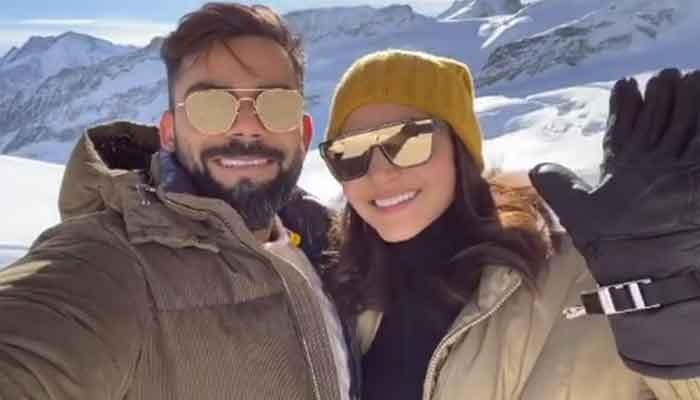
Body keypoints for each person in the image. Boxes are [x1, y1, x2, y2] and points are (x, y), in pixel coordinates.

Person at [0, 3, 352, 399]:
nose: (247, 127)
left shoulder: (328, 247)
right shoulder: (113, 266)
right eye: (212, 106)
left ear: (303, 134)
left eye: (276, 105)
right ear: (169, 134)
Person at [318, 48, 700, 400]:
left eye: (408, 140)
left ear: (460, 148)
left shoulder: (591, 275)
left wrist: (675, 313)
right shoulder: (340, 300)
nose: (380, 172)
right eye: (349, 153)